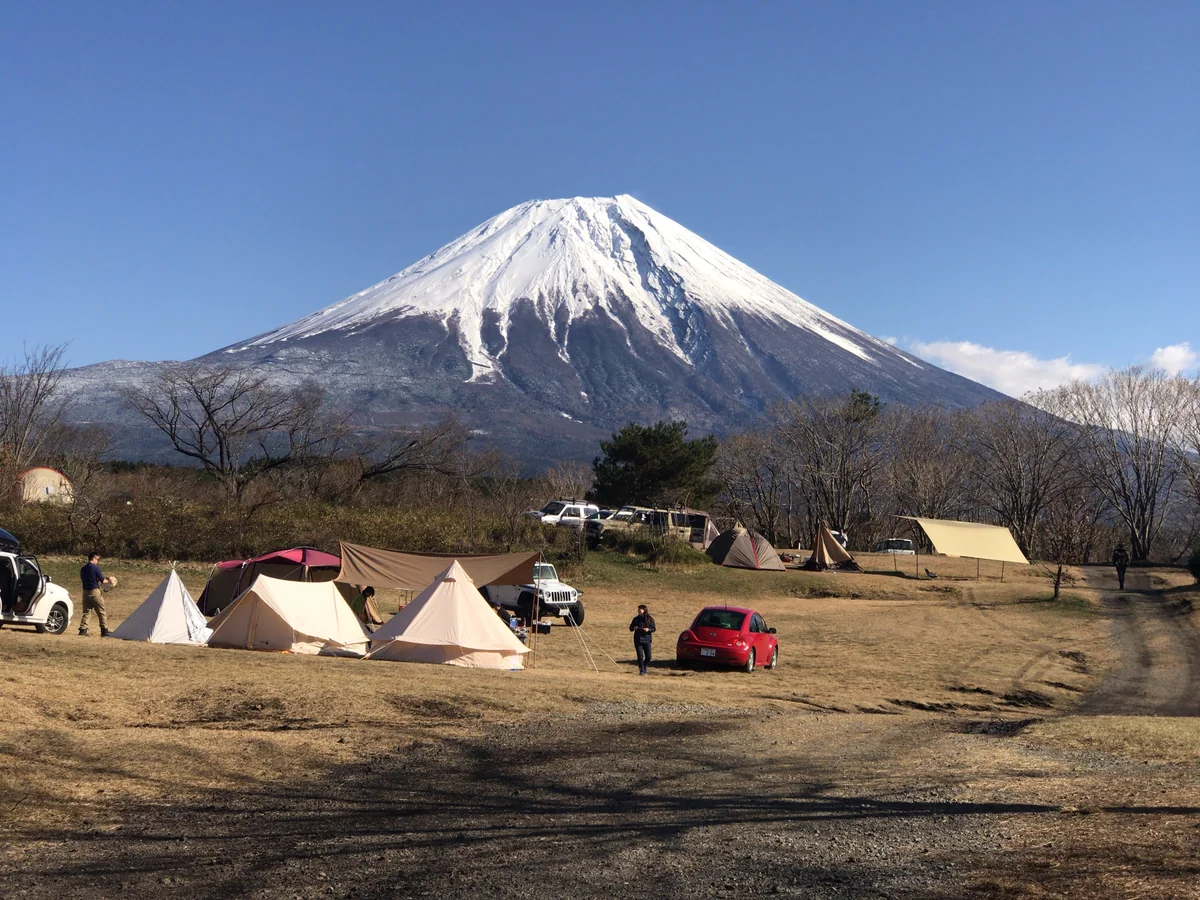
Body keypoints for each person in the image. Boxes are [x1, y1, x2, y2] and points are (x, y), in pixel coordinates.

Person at [78, 551, 113, 636]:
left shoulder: (83, 569)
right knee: (101, 611)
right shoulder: (95, 568)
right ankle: (104, 630)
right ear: (94, 558)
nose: (97, 561)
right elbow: (103, 581)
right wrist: (110, 580)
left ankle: (83, 629)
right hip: (94, 592)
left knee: (86, 611)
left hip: (85, 592)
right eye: (97, 559)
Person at [629, 604, 656, 675]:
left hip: (647, 639)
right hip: (638, 639)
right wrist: (634, 627)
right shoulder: (636, 619)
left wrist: (648, 629)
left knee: (649, 656)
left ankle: (644, 665)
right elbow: (630, 628)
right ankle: (642, 669)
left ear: (644, 610)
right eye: (638, 609)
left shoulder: (650, 619)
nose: (638, 611)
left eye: (640, 609)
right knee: (640, 655)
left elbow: (654, 629)